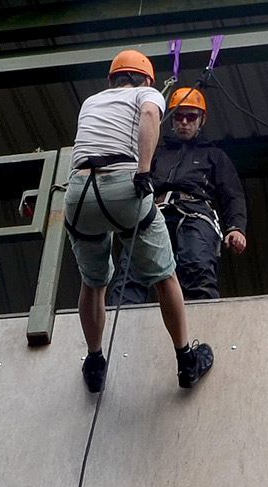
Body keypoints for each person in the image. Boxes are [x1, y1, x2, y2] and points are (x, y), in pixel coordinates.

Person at [64, 50, 214, 393]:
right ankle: (185, 358)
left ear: (111, 79)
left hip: (79, 191)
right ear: (147, 79)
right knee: (165, 276)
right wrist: (144, 170)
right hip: (122, 183)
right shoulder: (146, 94)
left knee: (93, 282)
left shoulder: (91, 101)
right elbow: (148, 114)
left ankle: (94, 359)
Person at [110, 87, 248, 305]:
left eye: (191, 116)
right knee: (133, 269)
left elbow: (232, 195)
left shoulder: (214, 156)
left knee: (197, 267)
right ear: (171, 120)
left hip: (196, 214)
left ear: (201, 119)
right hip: (155, 211)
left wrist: (236, 227)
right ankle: (123, 323)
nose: (184, 122)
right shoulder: (156, 152)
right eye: (179, 116)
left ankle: (202, 324)